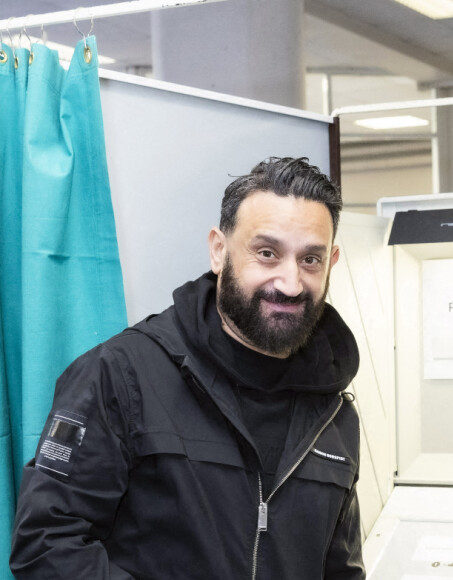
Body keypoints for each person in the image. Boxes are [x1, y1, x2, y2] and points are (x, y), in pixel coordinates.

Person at [10, 157, 365, 579]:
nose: (289, 283)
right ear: (219, 250)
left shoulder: (333, 412)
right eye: (267, 253)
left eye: (310, 260)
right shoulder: (122, 375)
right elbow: (47, 544)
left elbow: (341, 571)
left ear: (332, 262)